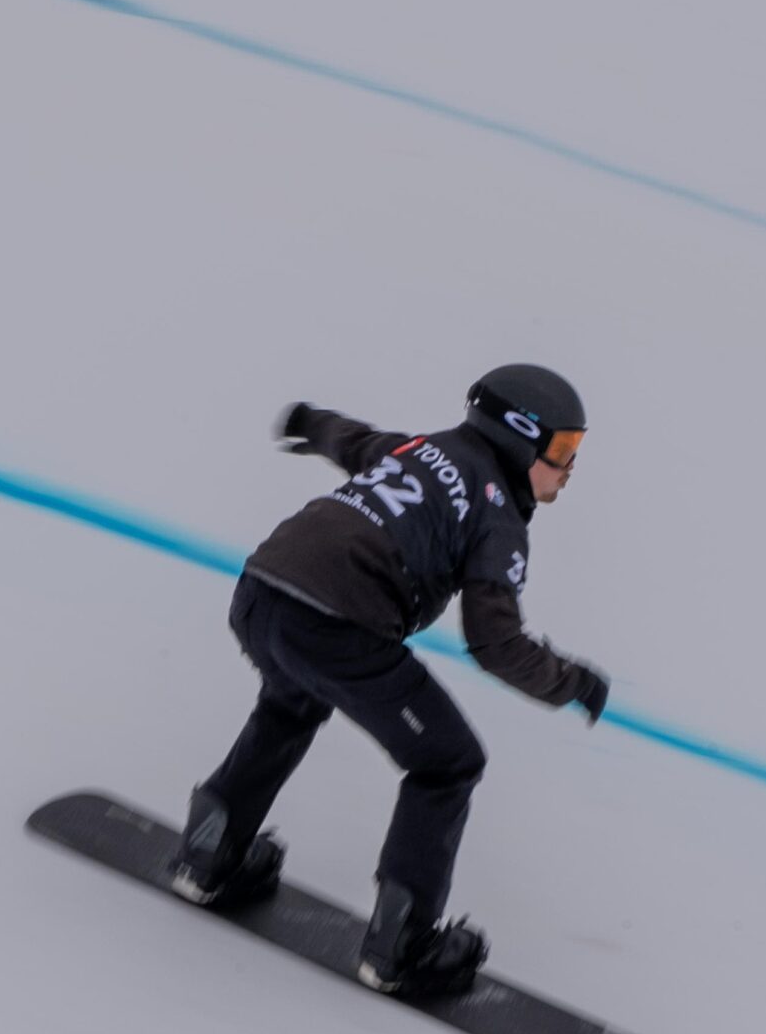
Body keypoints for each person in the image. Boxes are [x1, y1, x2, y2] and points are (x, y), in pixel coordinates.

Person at [168, 365, 612, 997]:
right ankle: (402, 946)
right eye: (563, 450)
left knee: (293, 699)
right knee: (448, 762)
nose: (571, 468)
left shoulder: (422, 449)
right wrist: (570, 682)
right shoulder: (499, 520)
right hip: (336, 623)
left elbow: (354, 440)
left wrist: (308, 422)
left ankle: (210, 849)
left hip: (260, 589)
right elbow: (495, 643)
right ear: (520, 438)